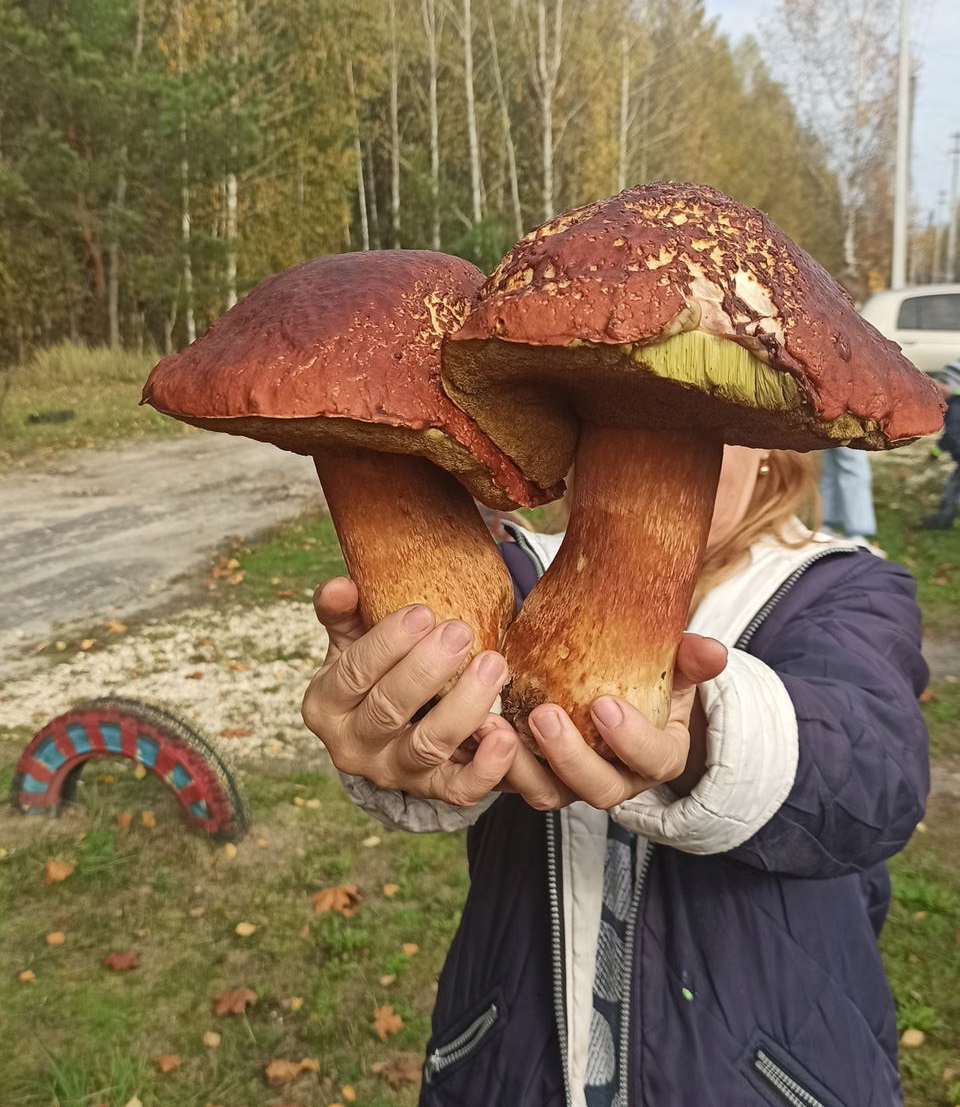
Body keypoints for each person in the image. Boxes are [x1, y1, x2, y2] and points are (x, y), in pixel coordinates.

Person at [302, 446, 929, 1107]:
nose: (669, 433)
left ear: (779, 445)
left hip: (772, 1073)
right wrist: (400, 724)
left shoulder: (844, 586)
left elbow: (876, 770)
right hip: (506, 1063)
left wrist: (699, 735)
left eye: (717, 419)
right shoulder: (516, 567)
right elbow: (456, 712)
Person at [818, 271, 880, 543]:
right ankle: (844, 525)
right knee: (844, 464)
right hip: (840, 404)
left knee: (843, 462)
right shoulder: (843, 327)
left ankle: (843, 525)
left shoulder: (833, 324)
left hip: (839, 405)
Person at [921, 358, 960, 530]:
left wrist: (936, 452)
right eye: (941, 380)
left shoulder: (955, 408)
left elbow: (951, 435)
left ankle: (943, 521)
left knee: (951, 489)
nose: (941, 386)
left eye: (946, 382)